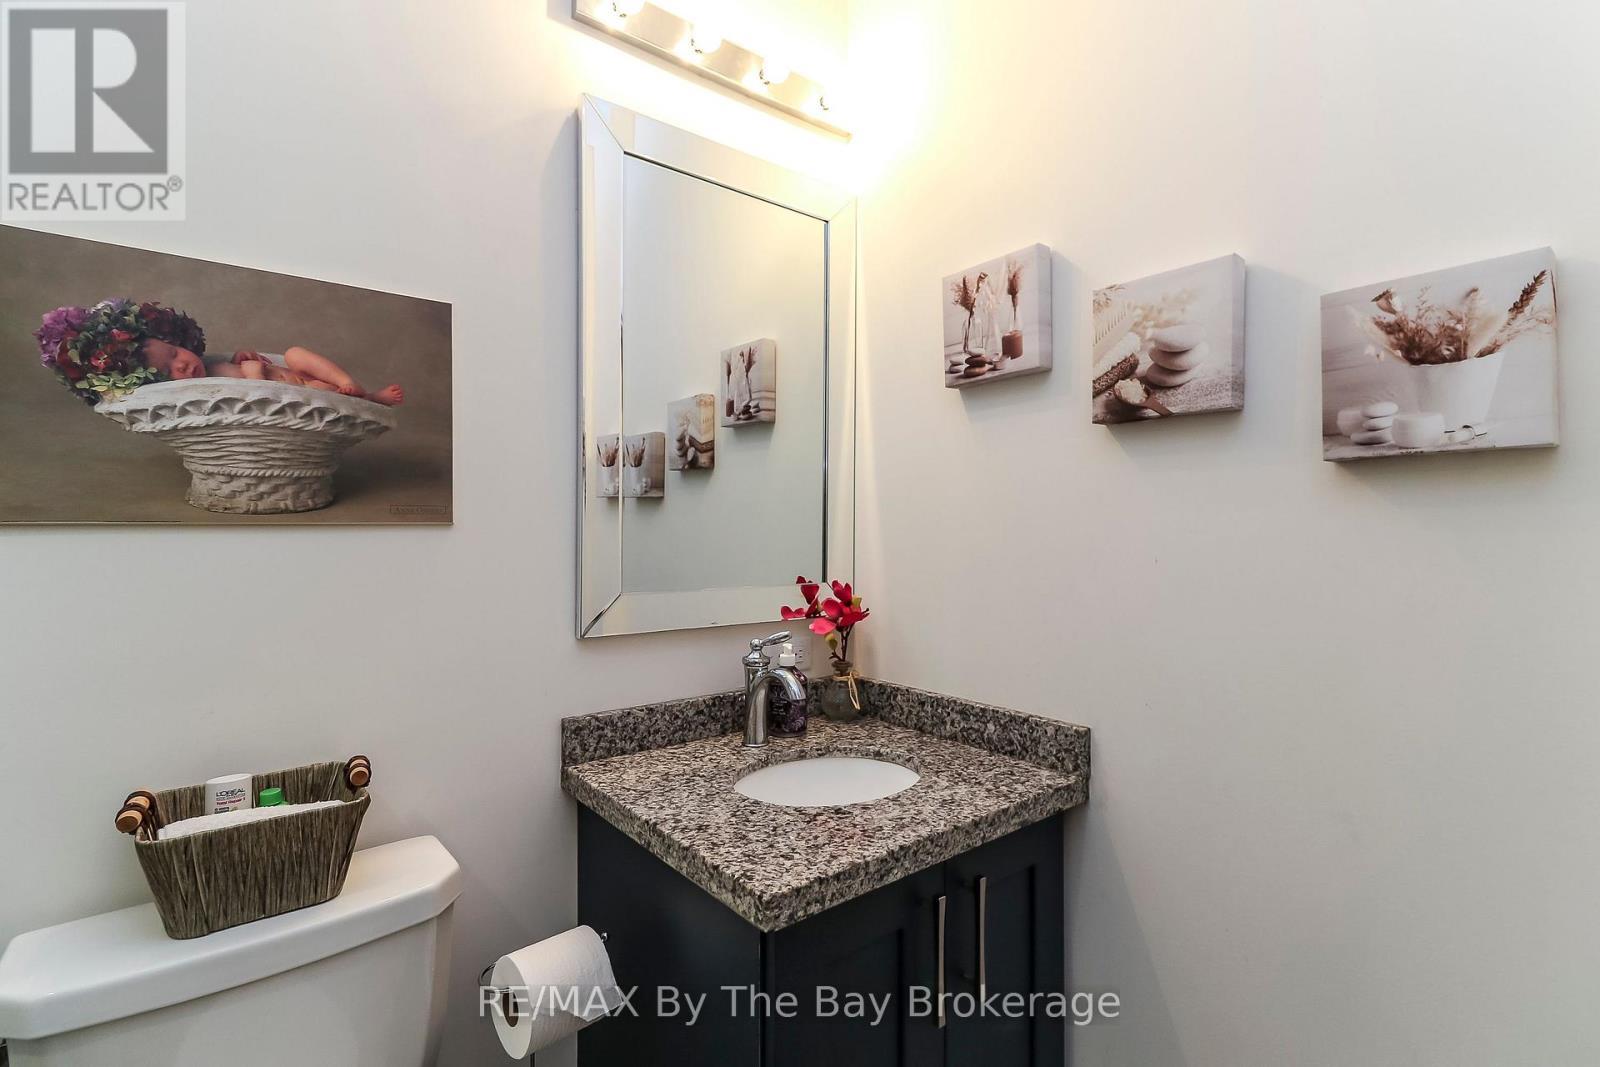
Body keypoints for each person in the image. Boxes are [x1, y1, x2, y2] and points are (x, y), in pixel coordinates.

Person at [141, 340, 404, 406]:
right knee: (320, 392)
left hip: (294, 373)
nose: (181, 365)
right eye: (168, 370)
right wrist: (255, 375)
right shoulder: (204, 391)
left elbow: (234, 368)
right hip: (300, 394)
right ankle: (371, 399)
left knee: (294, 353)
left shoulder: (211, 364)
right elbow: (251, 403)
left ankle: (346, 381)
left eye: (174, 353)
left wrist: (240, 358)